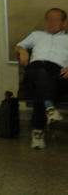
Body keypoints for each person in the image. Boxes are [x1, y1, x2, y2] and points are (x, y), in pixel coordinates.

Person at [15, 8, 68, 149]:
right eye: (48, 19)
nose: (51, 22)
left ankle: (39, 129)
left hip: (58, 76)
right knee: (41, 75)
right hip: (33, 73)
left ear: (64, 23)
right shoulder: (36, 35)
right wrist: (22, 50)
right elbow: (18, 46)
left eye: (55, 20)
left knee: (42, 87)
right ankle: (49, 108)